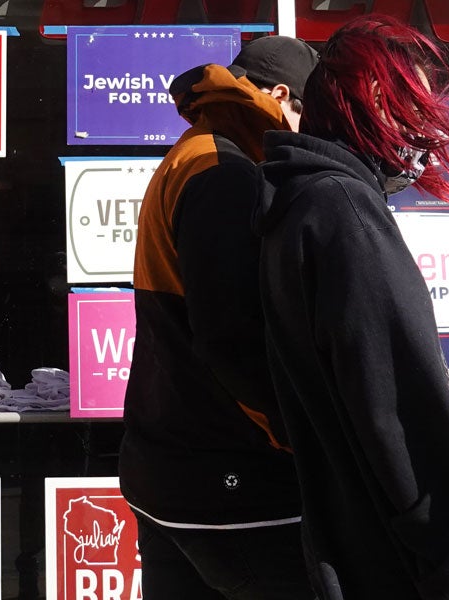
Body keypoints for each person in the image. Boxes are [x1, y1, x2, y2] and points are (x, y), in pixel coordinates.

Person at [254, 15, 449, 600]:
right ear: (371, 97)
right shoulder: (343, 211)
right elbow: (403, 419)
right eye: (411, 105)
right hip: (401, 568)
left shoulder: (300, 204)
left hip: (353, 550)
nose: (423, 129)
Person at [119, 36, 319, 600]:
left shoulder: (195, 153)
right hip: (232, 482)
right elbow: (231, 335)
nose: (311, 132)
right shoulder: (224, 171)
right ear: (279, 97)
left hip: (172, 469)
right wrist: (298, 439)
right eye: (308, 112)